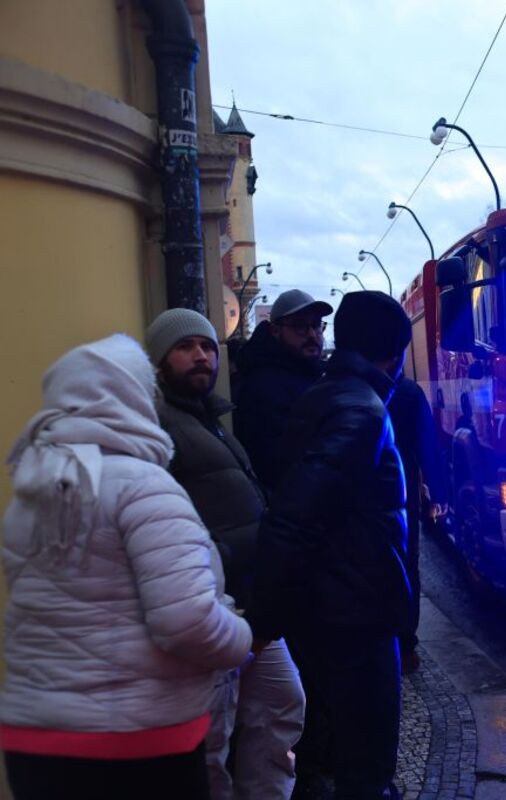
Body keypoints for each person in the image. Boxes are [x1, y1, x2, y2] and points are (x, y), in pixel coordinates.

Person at [0, 334, 251, 800]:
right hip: (138, 740)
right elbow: (188, 622)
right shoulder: (143, 485)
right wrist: (242, 635)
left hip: (33, 738)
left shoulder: (35, 487)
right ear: (131, 393)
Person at [250, 291, 414, 799]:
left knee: (337, 745)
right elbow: (295, 516)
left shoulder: (325, 392)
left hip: (333, 604)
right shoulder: (361, 411)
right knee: (366, 761)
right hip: (356, 613)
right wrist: (261, 621)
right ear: (393, 351)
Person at [146, 309, 306, 799]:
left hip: (249, 602)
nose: (201, 355)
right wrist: (213, 556)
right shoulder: (155, 423)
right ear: (158, 360)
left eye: (208, 346)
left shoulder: (211, 417)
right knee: (211, 738)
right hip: (212, 605)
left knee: (282, 701)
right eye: (186, 347)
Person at [233, 289, 333, 494]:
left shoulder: (313, 375)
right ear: (275, 331)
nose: (312, 335)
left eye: (316, 325)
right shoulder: (262, 386)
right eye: (299, 327)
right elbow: (275, 464)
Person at [387, 374, 449, 674]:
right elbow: (428, 445)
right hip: (402, 491)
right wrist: (438, 491)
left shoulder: (337, 383)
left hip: (364, 496)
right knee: (407, 565)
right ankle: (406, 647)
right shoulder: (407, 391)